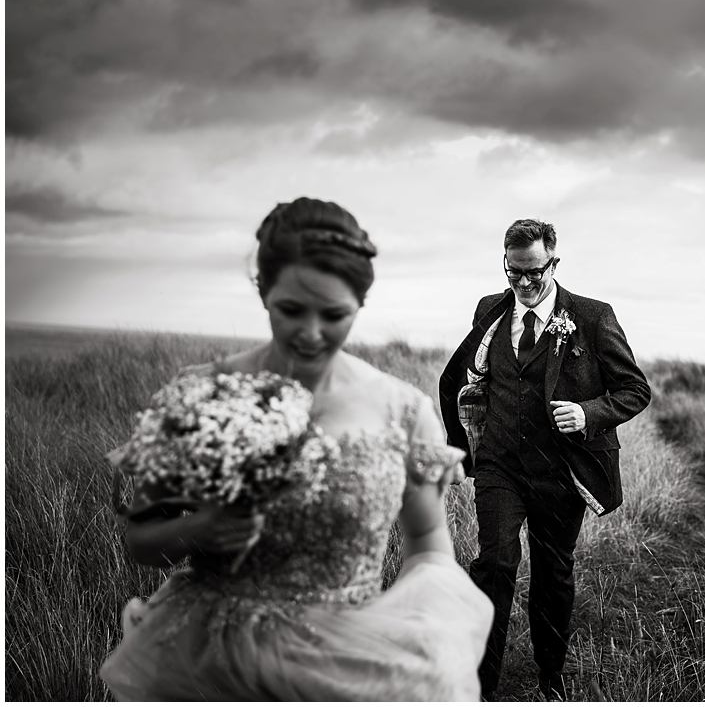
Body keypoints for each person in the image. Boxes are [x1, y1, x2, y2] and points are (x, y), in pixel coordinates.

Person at [99, 197, 493, 701]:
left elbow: (428, 543)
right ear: (262, 289)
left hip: (344, 661)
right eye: (290, 310)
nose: (310, 333)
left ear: (360, 305)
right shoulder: (203, 393)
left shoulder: (402, 409)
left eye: (334, 315)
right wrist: (201, 529)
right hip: (208, 661)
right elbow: (141, 543)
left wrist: (425, 642)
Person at [439, 219, 651, 700]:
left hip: (560, 471)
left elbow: (635, 390)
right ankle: (481, 685)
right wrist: (460, 450)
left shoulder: (593, 317)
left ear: (554, 262)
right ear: (506, 265)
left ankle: (549, 677)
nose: (525, 283)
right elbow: (460, 378)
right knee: (494, 563)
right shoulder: (489, 310)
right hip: (499, 465)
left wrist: (588, 412)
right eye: (515, 272)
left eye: (535, 271)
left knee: (553, 573)